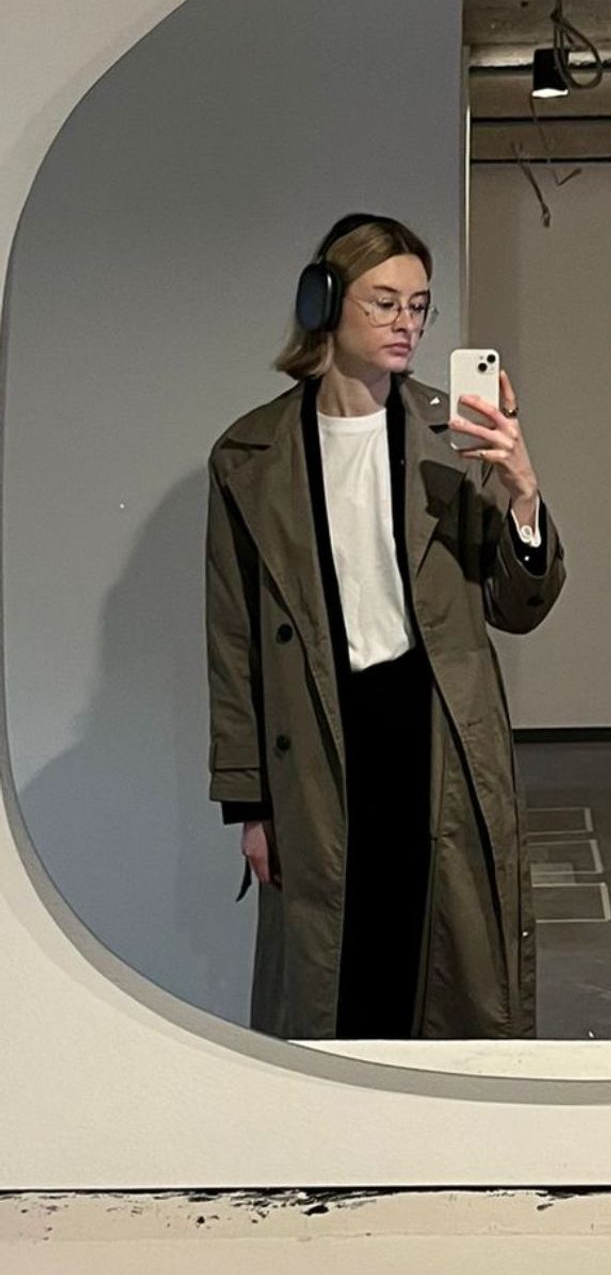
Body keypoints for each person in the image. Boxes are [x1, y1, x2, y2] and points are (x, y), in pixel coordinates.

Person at [204, 213, 566, 1040]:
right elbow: (233, 640)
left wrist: (522, 494)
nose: (407, 323)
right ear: (324, 302)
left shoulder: (454, 437)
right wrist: (250, 805)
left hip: (437, 734)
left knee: (444, 970)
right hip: (318, 742)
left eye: (420, 306)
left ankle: (444, 1121)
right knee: (335, 974)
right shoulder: (248, 455)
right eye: (385, 302)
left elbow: (517, 608)